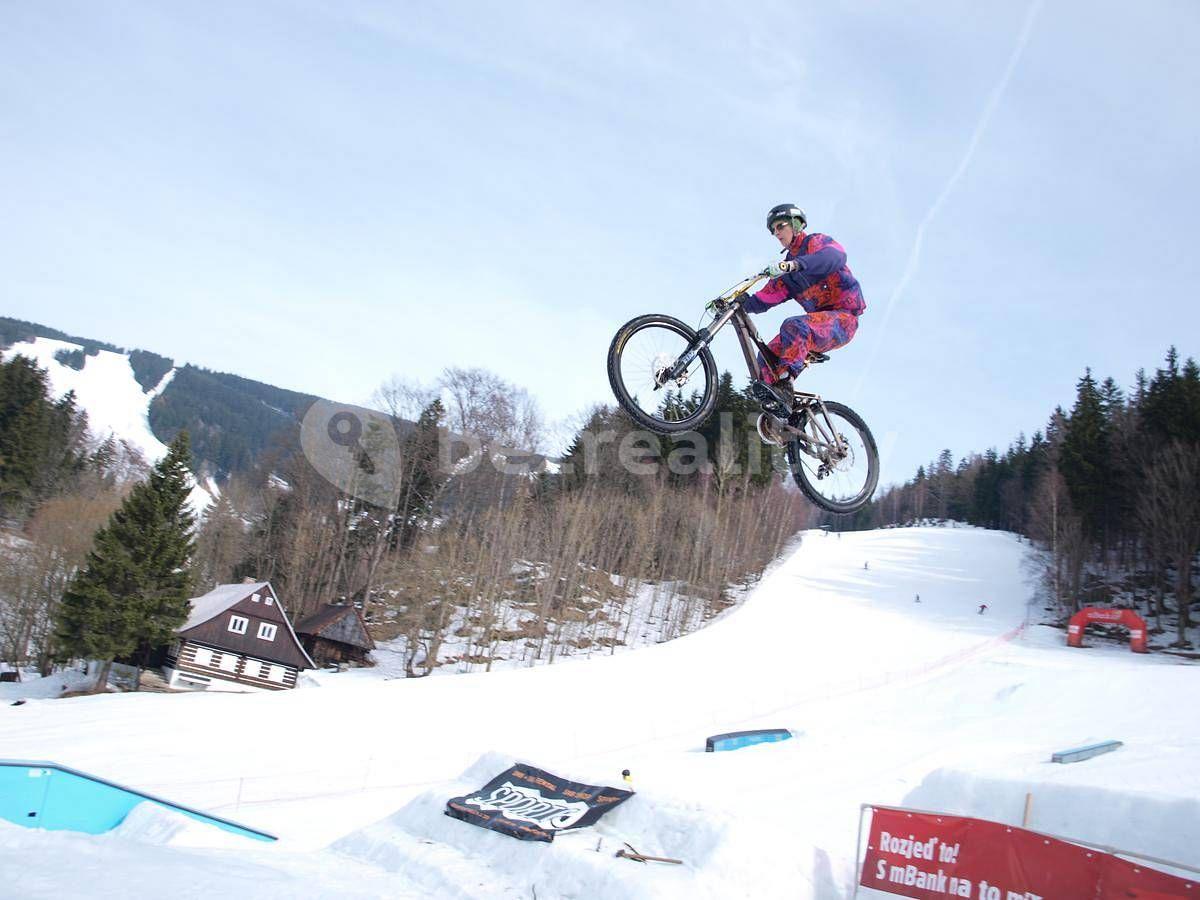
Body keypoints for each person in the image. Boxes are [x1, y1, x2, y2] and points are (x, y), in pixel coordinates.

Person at [744, 204, 866, 414]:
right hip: (818, 323)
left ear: (796, 224)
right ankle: (782, 414)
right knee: (765, 357)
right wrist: (738, 303)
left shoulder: (815, 243)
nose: (777, 234)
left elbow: (836, 256)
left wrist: (796, 264)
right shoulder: (787, 271)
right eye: (773, 231)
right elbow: (767, 296)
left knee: (794, 325)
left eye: (780, 227)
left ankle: (785, 387)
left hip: (844, 319)